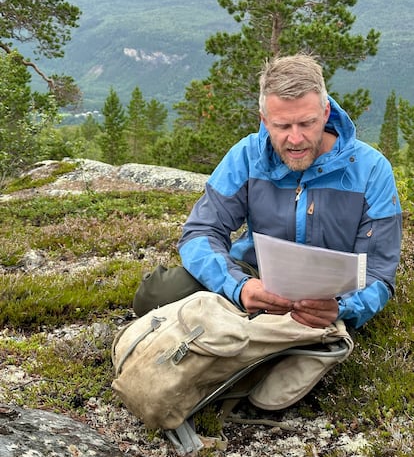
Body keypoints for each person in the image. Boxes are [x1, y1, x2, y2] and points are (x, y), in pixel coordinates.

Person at [134, 54, 402, 331]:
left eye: (307, 123)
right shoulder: (248, 156)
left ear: (325, 113)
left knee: (299, 344)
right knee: (157, 294)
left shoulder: (370, 168)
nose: (295, 139)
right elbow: (200, 232)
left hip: (328, 297)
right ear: (264, 119)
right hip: (257, 280)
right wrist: (240, 286)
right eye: (282, 126)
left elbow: (378, 273)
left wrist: (343, 307)